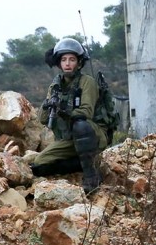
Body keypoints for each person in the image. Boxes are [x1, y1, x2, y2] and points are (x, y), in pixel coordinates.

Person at [30, 38, 109, 193]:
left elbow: (86, 112)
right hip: (70, 139)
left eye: (72, 59)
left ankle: (91, 176)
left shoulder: (87, 82)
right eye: (64, 59)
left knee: (80, 124)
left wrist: (63, 109)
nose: (67, 63)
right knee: (39, 164)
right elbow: (43, 120)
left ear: (79, 63)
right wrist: (47, 105)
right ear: (59, 63)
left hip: (92, 134)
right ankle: (83, 162)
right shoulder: (55, 86)